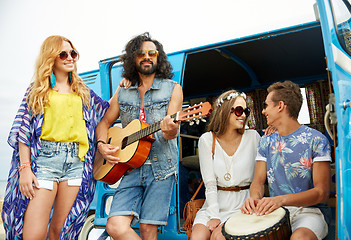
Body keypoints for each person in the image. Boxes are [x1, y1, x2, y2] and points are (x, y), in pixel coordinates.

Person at [2, 35, 109, 239]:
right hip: (45, 163)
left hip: (76, 163)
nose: (70, 58)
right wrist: (25, 168)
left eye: (73, 53)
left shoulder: (83, 92)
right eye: (63, 54)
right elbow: (23, 130)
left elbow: (107, 111)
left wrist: (123, 87)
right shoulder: (38, 90)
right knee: (34, 234)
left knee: (62, 231)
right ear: (51, 57)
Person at [95, 32, 183, 240]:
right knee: (115, 226)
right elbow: (104, 122)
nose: (147, 56)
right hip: (130, 167)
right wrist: (101, 145)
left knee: (147, 230)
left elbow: (171, 133)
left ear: (158, 57)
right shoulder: (123, 91)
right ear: (132, 59)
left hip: (161, 168)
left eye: (152, 53)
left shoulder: (173, 89)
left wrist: (170, 128)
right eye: (141, 53)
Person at [241, 81, 331, 240]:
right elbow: (258, 181)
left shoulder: (317, 140)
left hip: (309, 213)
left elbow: (321, 193)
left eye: (266, 105)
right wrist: (254, 198)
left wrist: (281, 200)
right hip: (275, 213)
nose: (263, 111)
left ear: (280, 106)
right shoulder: (265, 141)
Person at [191, 90, 260, 240]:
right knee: (197, 237)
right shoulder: (207, 140)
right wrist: (214, 216)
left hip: (243, 204)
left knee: (219, 237)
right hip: (214, 203)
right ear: (224, 111)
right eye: (238, 110)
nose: (243, 115)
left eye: (246, 111)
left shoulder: (253, 137)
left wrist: (273, 132)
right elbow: (210, 183)